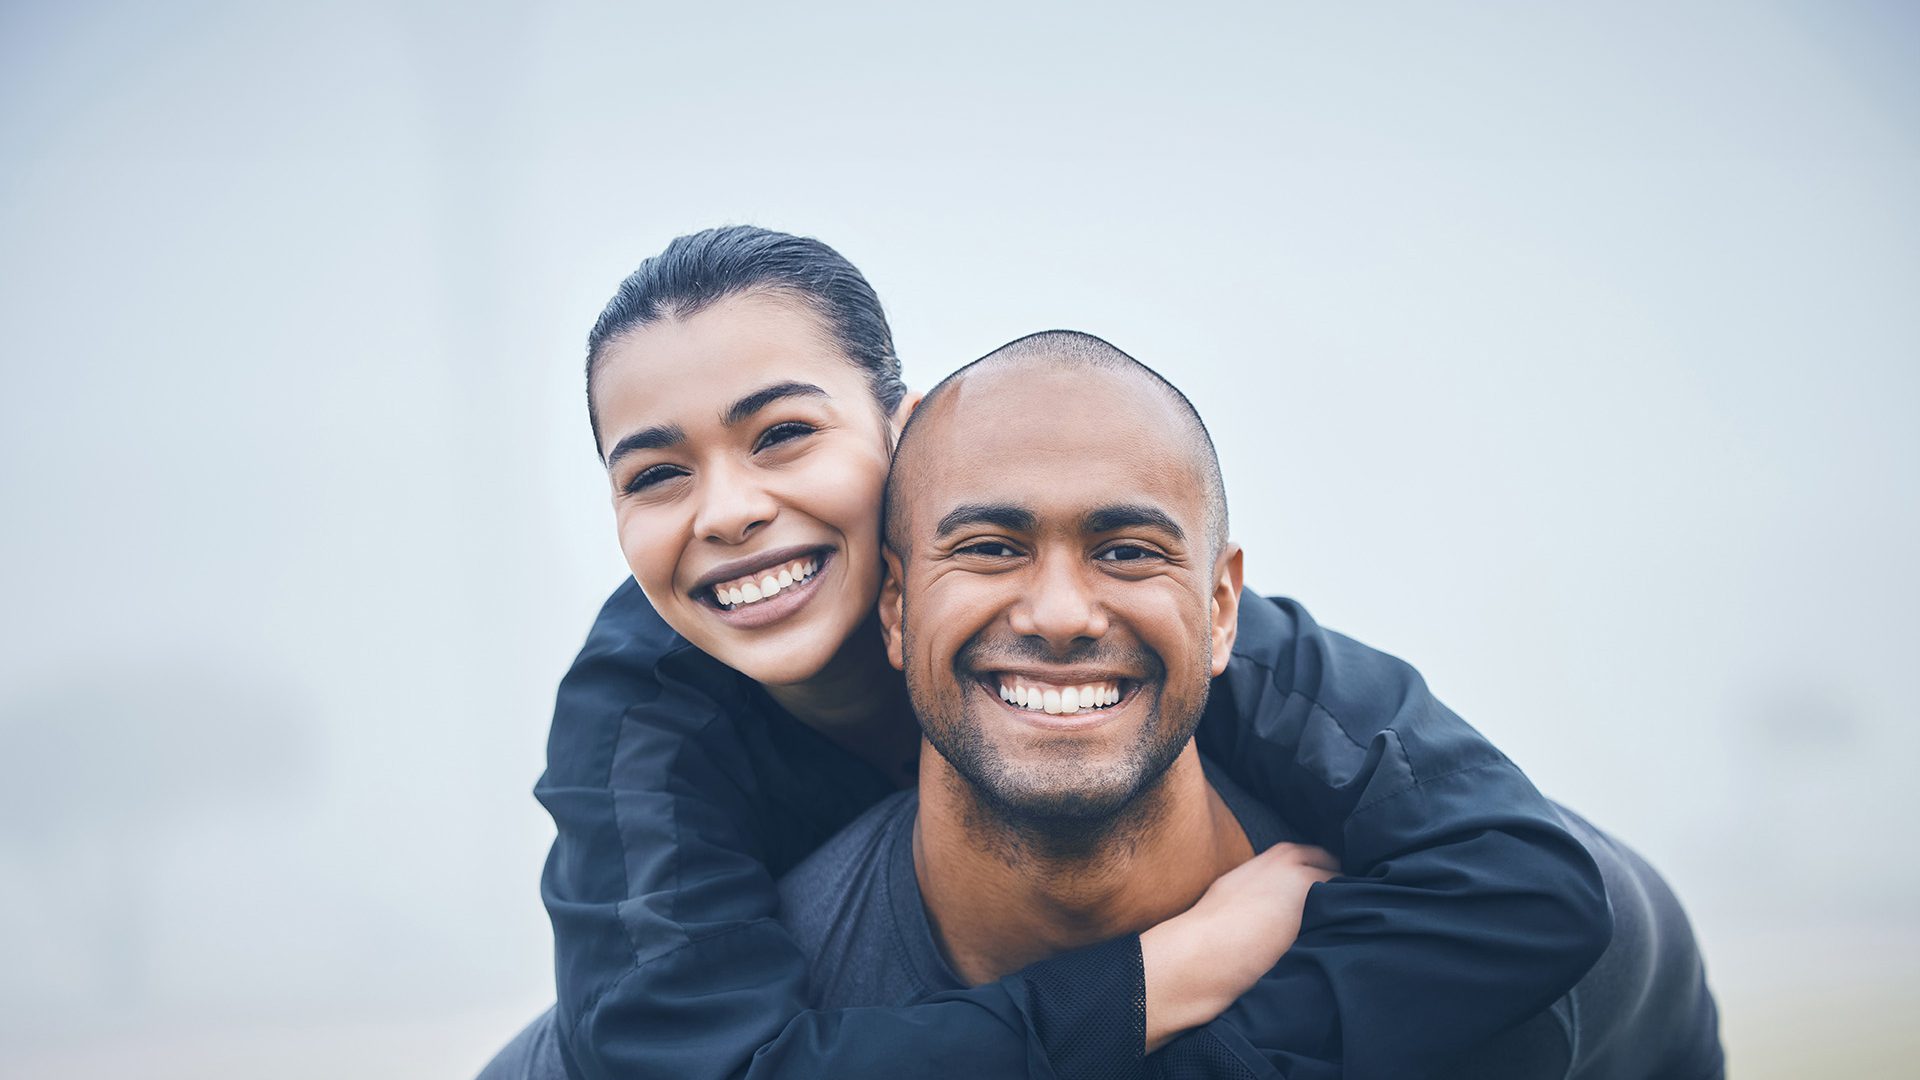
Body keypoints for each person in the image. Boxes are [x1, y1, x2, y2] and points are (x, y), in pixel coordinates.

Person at [488, 226, 1619, 1080]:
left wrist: (1222, 1049)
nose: (727, 509)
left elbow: (1523, 886)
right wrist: (1156, 983)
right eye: (655, 474)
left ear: (908, 428)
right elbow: (696, 1066)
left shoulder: (1134, 617)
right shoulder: (637, 721)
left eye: (783, 433)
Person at [779, 330, 1724, 1077]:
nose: (1061, 614)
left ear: (1224, 608)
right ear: (895, 609)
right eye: (988, 547)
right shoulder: (791, 989)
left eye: (1127, 551)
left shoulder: (1495, 971)